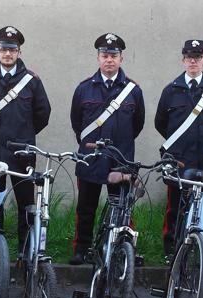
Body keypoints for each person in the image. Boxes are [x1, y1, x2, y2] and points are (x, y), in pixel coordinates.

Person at [0, 25, 52, 258]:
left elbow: (42, 114)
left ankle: (25, 254)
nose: (8, 54)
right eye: (4, 49)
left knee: (26, 204)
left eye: (12, 50)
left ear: (19, 52)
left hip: (21, 152)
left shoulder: (32, 81)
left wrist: (23, 135)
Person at [68, 33, 145, 266]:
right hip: (91, 158)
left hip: (120, 159)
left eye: (113, 55)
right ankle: (82, 249)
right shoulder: (84, 89)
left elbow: (137, 124)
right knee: (85, 209)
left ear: (121, 58)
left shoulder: (133, 91)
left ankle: (123, 248)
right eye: (104, 55)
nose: (109, 59)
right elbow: (76, 122)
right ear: (98, 58)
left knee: (122, 208)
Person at [154, 39, 203, 261]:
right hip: (179, 158)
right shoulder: (171, 91)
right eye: (189, 57)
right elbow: (161, 123)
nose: (193, 61)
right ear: (183, 60)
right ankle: (172, 247)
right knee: (175, 202)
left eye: (197, 58)